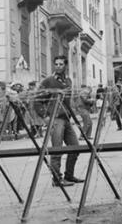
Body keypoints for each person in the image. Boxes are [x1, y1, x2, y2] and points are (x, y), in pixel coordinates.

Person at [40, 55, 84, 187]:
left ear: (65, 66)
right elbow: (36, 101)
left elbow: (68, 101)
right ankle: (57, 179)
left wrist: (73, 116)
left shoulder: (68, 81)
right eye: (56, 64)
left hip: (66, 119)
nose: (58, 66)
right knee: (57, 150)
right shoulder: (48, 81)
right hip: (56, 119)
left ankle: (69, 175)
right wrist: (46, 117)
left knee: (75, 147)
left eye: (61, 64)